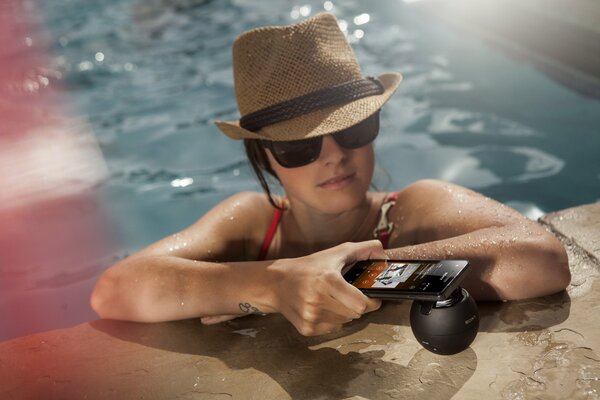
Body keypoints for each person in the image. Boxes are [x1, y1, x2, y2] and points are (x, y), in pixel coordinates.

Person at [91, 12, 570, 337]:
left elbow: (542, 260)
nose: (334, 155)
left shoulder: (413, 209)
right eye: (299, 145)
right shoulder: (252, 222)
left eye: (355, 128)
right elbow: (114, 290)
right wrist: (276, 283)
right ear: (265, 158)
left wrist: (362, 276)